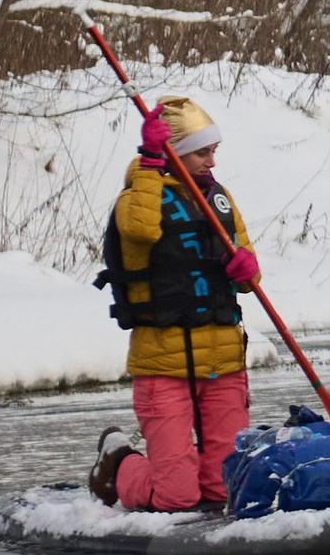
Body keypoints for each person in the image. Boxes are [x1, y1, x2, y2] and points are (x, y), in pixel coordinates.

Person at [87, 96, 260, 512]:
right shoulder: (137, 196)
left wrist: (247, 269)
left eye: (213, 151)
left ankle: (187, 469)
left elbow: (251, 280)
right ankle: (118, 462)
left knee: (223, 491)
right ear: (175, 152)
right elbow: (140, 229)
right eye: (202, 152)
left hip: (224, 361)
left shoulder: (218, 197)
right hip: (163, 363)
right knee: (177, 496)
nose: (212, 163)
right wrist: (149, 160)